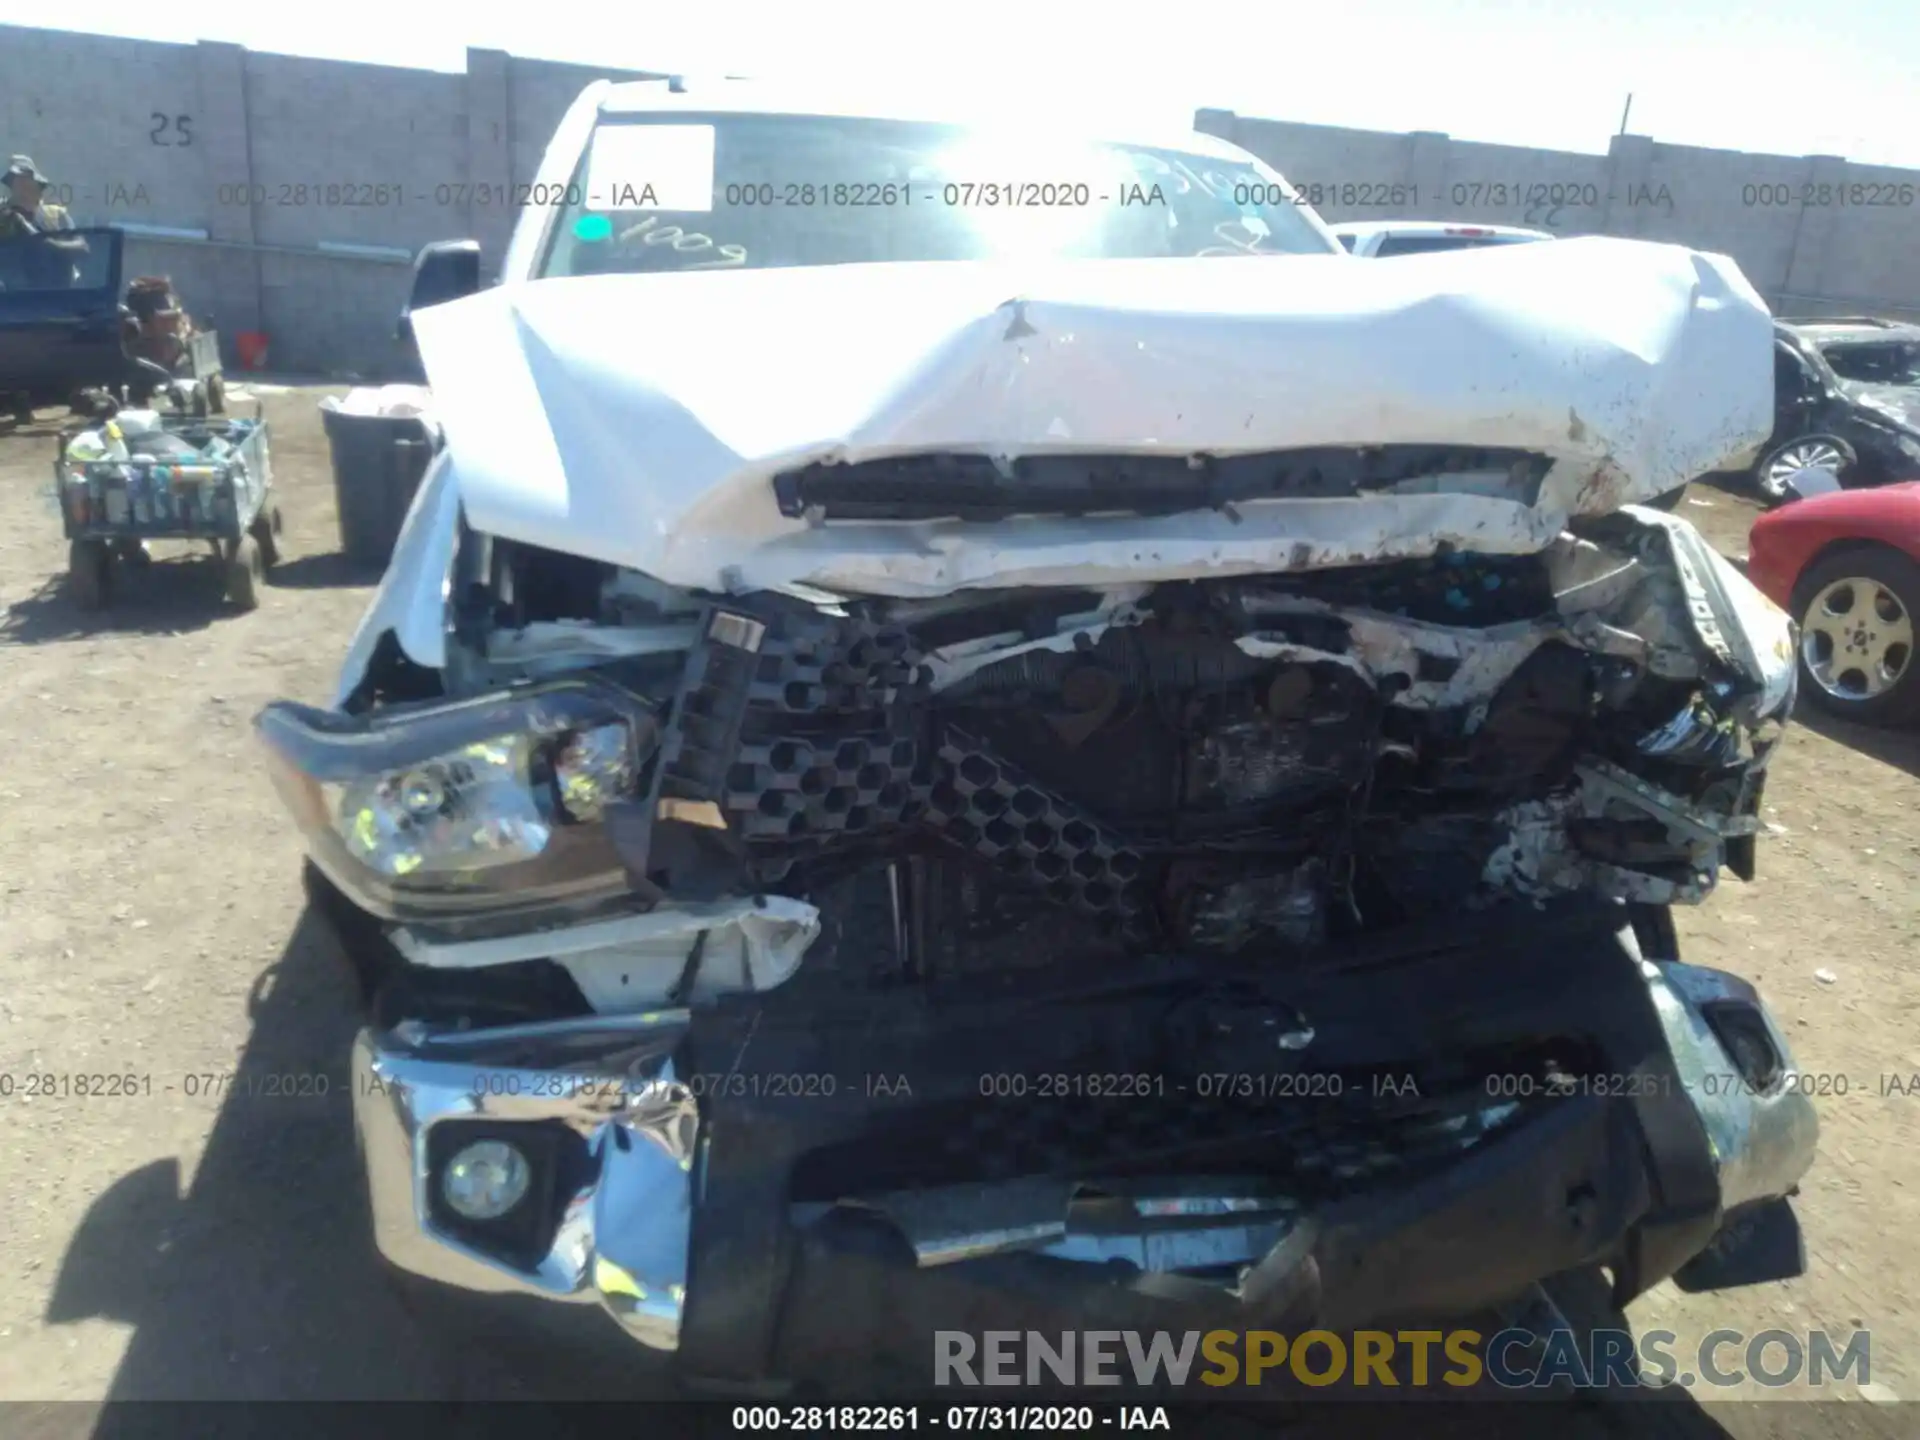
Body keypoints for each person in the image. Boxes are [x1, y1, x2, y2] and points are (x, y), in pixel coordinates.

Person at [0, 156, 75, 236]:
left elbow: (79, 244)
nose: (23, 187)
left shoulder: (58, 215)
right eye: (18, 182)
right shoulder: (3, 215)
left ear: (39, 186)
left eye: (27, 180)